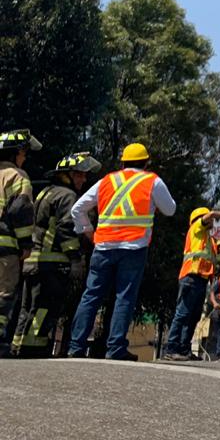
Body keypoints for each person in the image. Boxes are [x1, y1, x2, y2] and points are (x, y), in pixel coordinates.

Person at [67, 142, 176, 360]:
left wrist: (88, 230)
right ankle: (115, 348)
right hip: (133, 248)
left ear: (123, 162)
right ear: (146, 162)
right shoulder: (152, 180)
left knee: (91, 296)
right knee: (124, 297)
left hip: (103, 247)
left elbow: (77, 209)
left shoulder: (107, 180)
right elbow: (170, 210)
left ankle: (75, 347)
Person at [12, 150, 96, 358]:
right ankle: (34, 349)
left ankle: (18, 346)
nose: (83, 179)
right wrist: (75, 259)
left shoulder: (46, 192)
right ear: (65, 175)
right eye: (78, 174)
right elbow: (66, 228)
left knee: (28, 308)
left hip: (34, 261)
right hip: (51, 264)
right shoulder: (67, 196)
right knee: (44, 308)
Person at [162, 206, 220, 361]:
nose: (213, 220)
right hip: (191, 277)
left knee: (193, 317)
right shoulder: (196, 228)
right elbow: (212, 213)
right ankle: (171, 348)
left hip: (201, 280)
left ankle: (184, 349)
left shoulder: (209, 239)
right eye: (210, 218)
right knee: (182, 314)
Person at [0, 130, 41, 358]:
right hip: (5, 247)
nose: (24, 157)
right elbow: (21, 211)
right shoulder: (17, 176)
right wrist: (26, 243)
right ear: (16, 153)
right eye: (23, 153)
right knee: (4, 293)